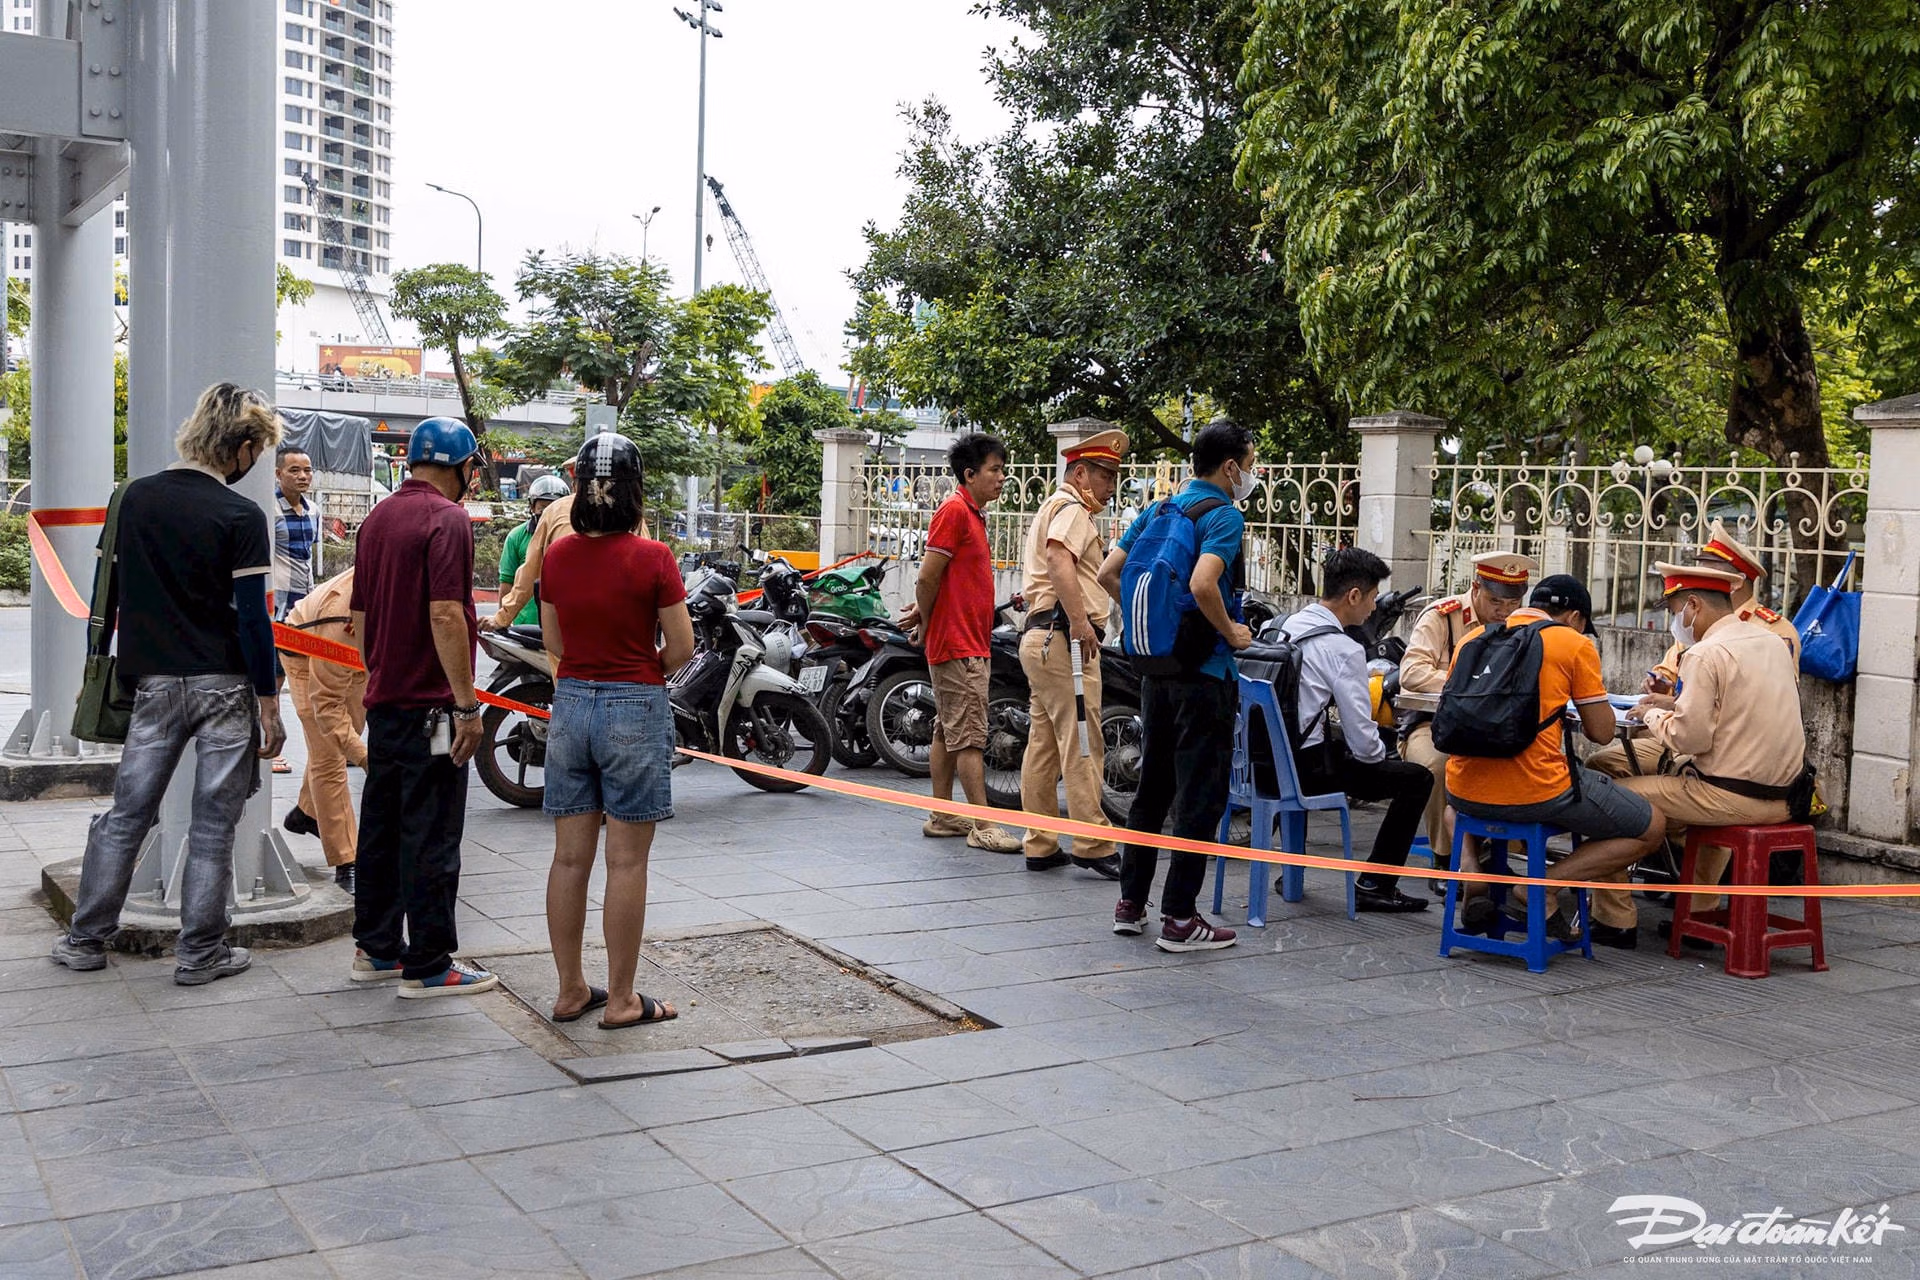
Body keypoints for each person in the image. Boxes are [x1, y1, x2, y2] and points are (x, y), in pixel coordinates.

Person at [53, 383, 288, 985]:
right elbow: (253, 618)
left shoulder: (133, 498)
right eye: (257, 451)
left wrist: (93, 665)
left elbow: (109, 591)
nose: (255, 463)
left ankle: (85, 940)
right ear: (241, 446)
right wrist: (268, 700)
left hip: (153, 685)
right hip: (224, 687)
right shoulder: (241, 515)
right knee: (213, 824)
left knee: (127, 815)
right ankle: (200, 953)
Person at [539, 432, 693, 1029]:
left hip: (571, 703)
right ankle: (624, 998)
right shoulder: (654, 558)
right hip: (634, 704)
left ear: (579, 489)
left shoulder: (557, 556)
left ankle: (570, 990)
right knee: (626, 863)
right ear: (635, 493)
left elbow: (554, 642)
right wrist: (640, 672)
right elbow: (681, 647)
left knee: (568, 859)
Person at [348, 417, 498, 998]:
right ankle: (430, 963)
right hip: (433, 709)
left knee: (382, 830)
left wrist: (379, 675)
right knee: (431, 833)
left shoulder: (378, 518)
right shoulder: (447, 519)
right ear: (461, 466)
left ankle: (376, 948)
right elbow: (445, 612)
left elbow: (360, 614)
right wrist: (466, 706)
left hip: (387, 703)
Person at [1097, 419, 1257, 951]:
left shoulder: (1158, 510)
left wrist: (1156, 624)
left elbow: (1108, 575)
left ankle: (1130, 903)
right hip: (1205, 676)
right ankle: (1181, 918)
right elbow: (1203, 582)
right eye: (1249, 464)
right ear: (1230, 467)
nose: (1250, 474)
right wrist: (1230, 631)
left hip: (1157, 671)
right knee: (1199, 798)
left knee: (1151, 791)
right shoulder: (1224, 515)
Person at [1444, 575, 1667, 943]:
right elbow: (1601, 733)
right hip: (1537, 791)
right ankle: (1541, 886)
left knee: (1455, 808)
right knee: (1651, 826)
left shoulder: (1474, 639)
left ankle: (1471, 873)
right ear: (1575, 618)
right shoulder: (1572, 643)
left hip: (1462, 790)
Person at [1614, 562, 1807, 943]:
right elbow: (1737, 710)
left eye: (1675, 612)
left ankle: (1614, 919)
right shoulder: (1771, 642)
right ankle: (1700, 913)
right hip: (1786, 797)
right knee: (1684, 777)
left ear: (1693, 605)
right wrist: (1672, 704)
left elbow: (1689, 739)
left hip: (1731, 796)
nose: (1676, 623)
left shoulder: (1705, 653)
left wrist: (1651, 714)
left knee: (1611, 800)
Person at [1281, 548, 1435, 911]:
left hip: (1260, 765)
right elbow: (1365, 746)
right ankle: (1376, 884)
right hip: (1305, 771)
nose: (1373, 607)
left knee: (1332, 746)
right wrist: (1382, 753)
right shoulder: (1342, 649)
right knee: (1416, 779)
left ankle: (1290, 871)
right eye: (1372, 597)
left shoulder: (1284, 626)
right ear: (1354, 596)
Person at [1589, 521, 1801, 782]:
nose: (1700, 576)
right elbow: (1674, 678)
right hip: (1689, 731)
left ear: (1734, 583)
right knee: (1602, 764)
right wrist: (1663, 692)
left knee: (1618, 793)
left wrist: (1658, 715)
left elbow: (1757, 708)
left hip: (1734, 752)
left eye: (1709, 572)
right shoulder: (1696, 625)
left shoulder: (1772, 630)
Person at [902, 433, 1024, 854]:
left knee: (948, 729)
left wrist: (925, 615)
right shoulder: (954, 511)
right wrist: (927, 620)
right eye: (995, 470)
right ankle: (983, 824)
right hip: (959, 644)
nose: (1002, 477)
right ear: (970, 474)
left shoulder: (973, 514)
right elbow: (927, 577)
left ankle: (942, 815)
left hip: (966, 640)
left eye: (1003, 470)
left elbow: (946, 580)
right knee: (970, 735)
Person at [1016, 426, 1128, 879]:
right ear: (1080, 474)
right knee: (1084, 739)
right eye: (1104, 476)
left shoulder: (1053, 507)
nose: (1110, 487)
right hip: (1065, 640)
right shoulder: (1072, 510)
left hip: (1042, 640)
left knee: (1044, 745)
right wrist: (1081, 622)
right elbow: (1059, 559)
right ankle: (1092, 842)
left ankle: (1041, 842)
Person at [1398, 552, 1536, 858]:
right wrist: (1469, 685)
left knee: (1528, 763)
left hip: (1493, 730)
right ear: (1476, 588)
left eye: (1513, 603)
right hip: (1432, 725)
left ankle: (1501, 851)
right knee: (1439, 766)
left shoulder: (1522, 626)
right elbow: (1411, 673)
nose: (1504, 611)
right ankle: (1447, 857)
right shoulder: (1442, 617)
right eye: (1495, 601)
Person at [279, 569, 366, 895]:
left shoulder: (400, 586)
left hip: (353, 657)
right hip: (305, 654)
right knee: (330, 754)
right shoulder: (341, 617)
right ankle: (347, 859)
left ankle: (306, 812)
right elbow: (327, 707)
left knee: (347, 735)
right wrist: (367, 760)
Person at [496, 473, 571, 628]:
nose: (548, 514)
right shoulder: (516, 537)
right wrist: (503, 620)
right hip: (526, 625)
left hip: (562, 623)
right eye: (543, 509)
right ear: (532, 507)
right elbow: (507, 582)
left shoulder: (570, 536)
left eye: (554, 508)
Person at [273, 445, 317, 621]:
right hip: (279, 598)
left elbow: (308, 554)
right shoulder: (270, 509)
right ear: (278, 474)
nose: (303, 476)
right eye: (294, 470)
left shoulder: (313, 510)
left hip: (307, 597)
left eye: (307, 470)